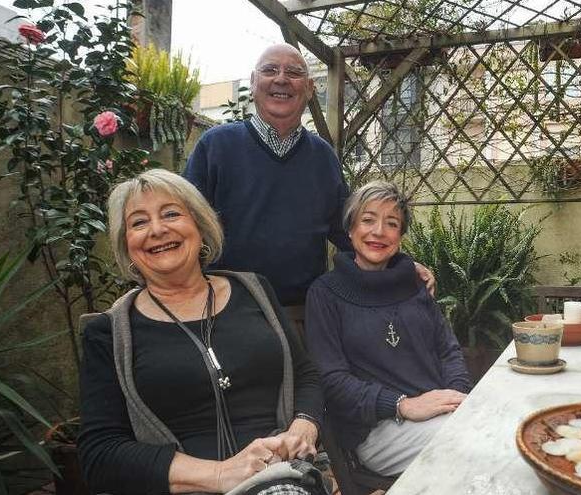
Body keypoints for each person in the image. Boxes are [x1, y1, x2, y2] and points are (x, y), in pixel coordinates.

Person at [78, 169, 328, 495]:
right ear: (127, 245)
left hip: (284, 474)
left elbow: (305, 372)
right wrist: (222, 474)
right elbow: (100, 454)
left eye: (171, 214)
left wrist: (304, 426)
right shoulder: (108, 333)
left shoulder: (254, 290)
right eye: (138, 222)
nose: (156, 229)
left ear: (199, 224)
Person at [182, 43, 434, 321]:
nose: (281, 79)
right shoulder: (215, 146)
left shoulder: (323, 157)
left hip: (301, 316)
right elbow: (184, 226)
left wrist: (401, 265)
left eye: (293, 72)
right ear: (253, 83)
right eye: (269, 70)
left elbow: (349, 230)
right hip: (226, 314)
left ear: (310, 88)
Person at [304, 181, 473, 476]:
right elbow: (332, 380)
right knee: (480, 442)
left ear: (400, 236)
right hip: (377, 429)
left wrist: (453, 397)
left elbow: (448, 350)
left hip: (440, 413)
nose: (379, 231)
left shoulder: (415, 284)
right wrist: (402, 405)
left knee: (501, 429)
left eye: (391, 223)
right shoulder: (325, 294)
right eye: (368, 220)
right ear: (350, 229)